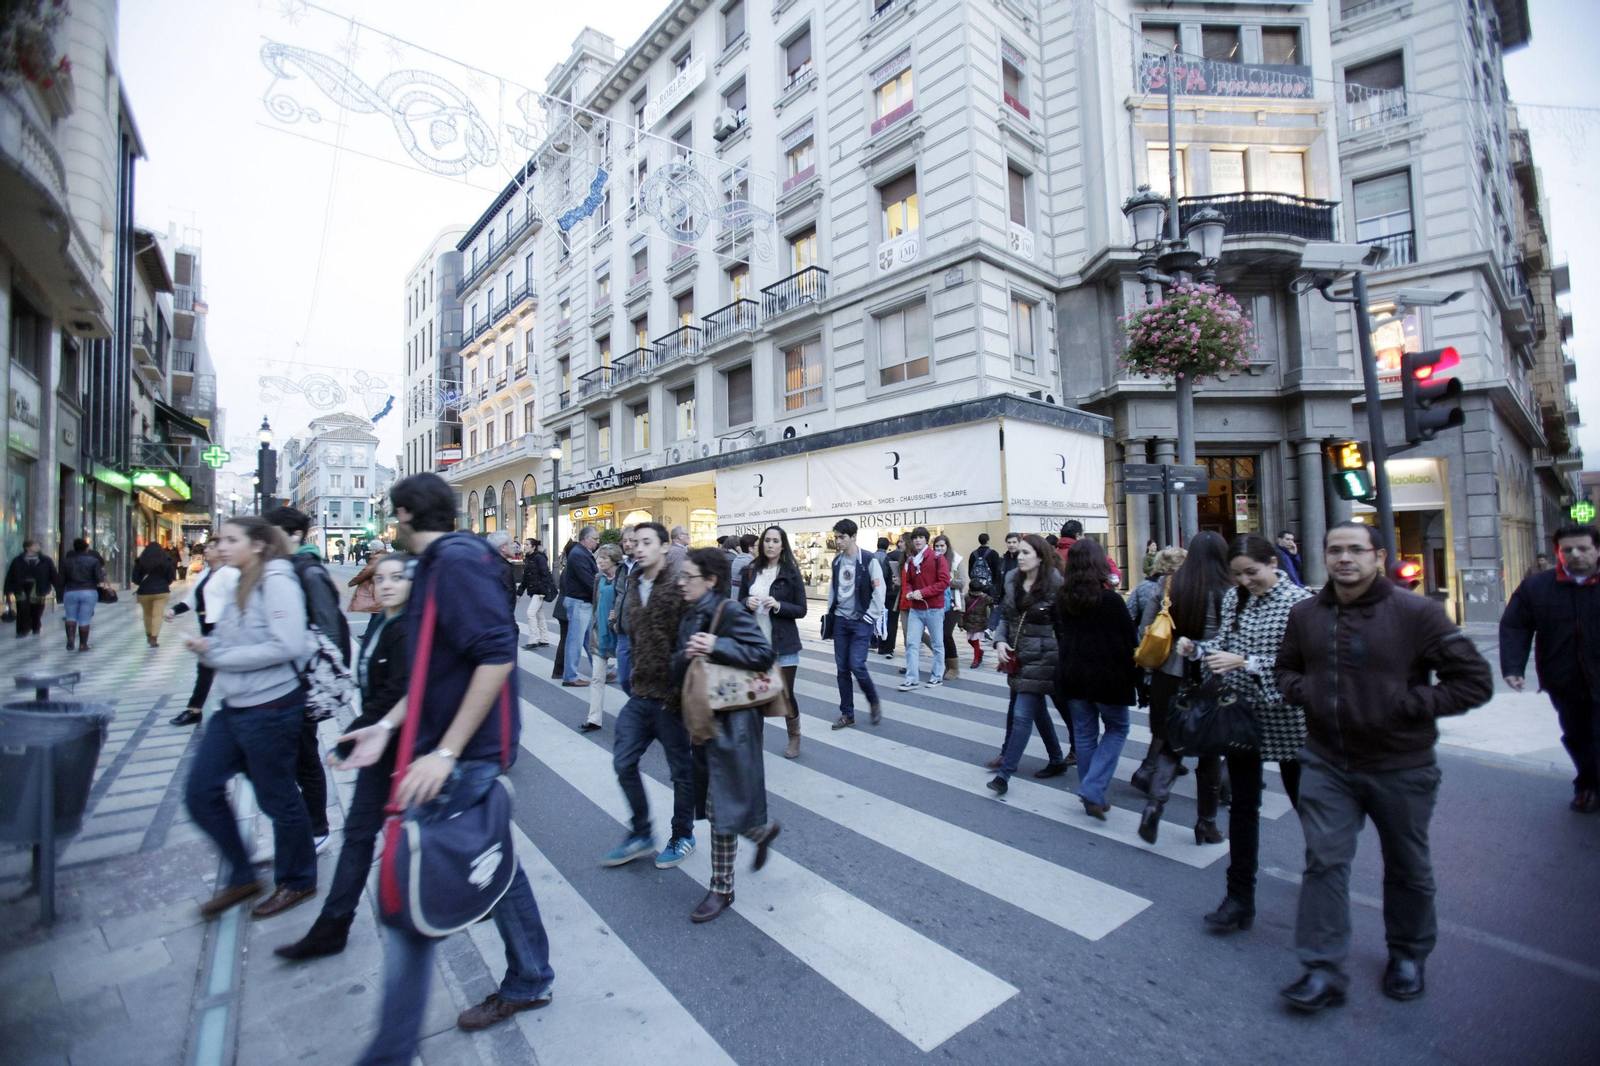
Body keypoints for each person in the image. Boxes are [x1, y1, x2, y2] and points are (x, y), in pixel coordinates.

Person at [336, 473, 554, 1057]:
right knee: (495, 864)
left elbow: (494, 655)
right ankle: (530, 976)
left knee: (409, 910)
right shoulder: (436, 566)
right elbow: (435, 666)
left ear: (404, 514)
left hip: (462, 757)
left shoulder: (454, 564)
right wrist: (384, 728)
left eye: (391, 518)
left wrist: (446, 752)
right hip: (448, 752)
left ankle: (391, 1049)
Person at [1275, 521, 1493, 1012]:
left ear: (1377, 556)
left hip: (1401, 764)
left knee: (1407, 865)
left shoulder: (1416, 613)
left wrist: (1406, 705)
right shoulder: (1306, 614)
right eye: (1335, 550)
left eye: (1356, 550)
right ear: (1324, 556)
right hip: (1327, 761)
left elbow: (1474, 681)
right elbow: (1285, 669)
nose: (1344, 558)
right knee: (1324, 862)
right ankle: (1321, 967)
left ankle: (1409, 954)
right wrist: (1304, 692)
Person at [274, 551, 411, 962]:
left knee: (415, 832)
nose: (385, 585)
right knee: (358, 833)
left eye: (396, 577)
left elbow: (397, 691)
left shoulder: (407, 629)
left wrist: (353, 736)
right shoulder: (382, 621)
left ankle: (487, 896)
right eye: (379, 578)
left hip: (400, 747)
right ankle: (333, 924)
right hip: (381, 744)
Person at [182, 517, 317, 921]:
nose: (220, 546)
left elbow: (287, 643)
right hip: (234, 708)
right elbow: (235, 635)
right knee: (200, 791)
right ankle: (242, 874)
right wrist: (211, 645)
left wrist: (218, 656)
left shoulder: (277, 580)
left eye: (230, 540)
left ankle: (297, 879)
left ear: (258, 545)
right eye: (219, 540)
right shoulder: (240, 578)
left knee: (277, 798)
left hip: (271, 708)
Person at [1175, 533, 1313, 927]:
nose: (1245, 581)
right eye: (1237, 575)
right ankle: (1239, 899)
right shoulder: (1236, 597)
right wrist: (1199, 650)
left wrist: (1248, 663)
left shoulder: (1299, 604)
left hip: (1289, 721)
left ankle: (1322, 872)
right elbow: (1225, 642)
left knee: (1308, 805)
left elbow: (1304, 668)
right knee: (1242, 808)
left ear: (1272, 562)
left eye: (1251, 572)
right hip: (1240, 717)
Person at [673, 547, 782, 923]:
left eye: (688, 576)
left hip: (733, 723)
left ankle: (722, 888)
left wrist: (716, 645)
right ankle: (760, 830)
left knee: (720, 808)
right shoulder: (690, 613)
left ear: (711, 581)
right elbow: (680, 666)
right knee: (713, 804)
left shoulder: (730, 612)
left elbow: (762, 654)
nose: (681, 582)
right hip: (704, 720)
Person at [602, 522, 699, 871]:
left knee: (681, 773)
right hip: (640, 693)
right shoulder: (631, 582)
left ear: (663, 547)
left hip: (671, 699)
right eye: (635, 542)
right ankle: (641, 832)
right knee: (622, 761)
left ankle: (683, 835)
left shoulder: (677, 588)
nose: (638, 547)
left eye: (647, 542)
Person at [266, 505, 351, 855]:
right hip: (284, 683)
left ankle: (317, 828)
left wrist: (320, 686)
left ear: (294, 535)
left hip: (302, 684)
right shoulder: (283, 569)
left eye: (271, 532)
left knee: (304, 758)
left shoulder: (307, 571)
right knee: (293, 757)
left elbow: (329, 630)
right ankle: (303, 827)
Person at [1135, 540, 1232, 846]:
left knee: (1170, 743)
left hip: (1169, 674)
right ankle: (1206, 823)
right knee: (1210, 753)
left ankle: (1155, 803)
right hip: (1210, 678)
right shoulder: (1226, 588)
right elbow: (1232, 637)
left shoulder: (1168, 583)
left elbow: (1145, 628)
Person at [1500, 523, 1600, 812]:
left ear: (1597, 550)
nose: (1575, 554)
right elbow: (1515, 625)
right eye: (1567, 549)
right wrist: (1513, 666)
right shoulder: (1537, 586)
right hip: (1565, 680)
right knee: (1578, 736)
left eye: (1583, 548)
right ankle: (1588, 786)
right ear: (1558, 552)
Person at [1055, 538, 1138, 820]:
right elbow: (1131, 641)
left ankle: (1092, 794)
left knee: (1085, 734)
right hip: (1109, 677)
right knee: (1117, 728)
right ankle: (1093, 788)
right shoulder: (1112, 601)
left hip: (1074, 675)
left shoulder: (1063, 598)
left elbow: (1060, 636)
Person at [987, 534, 1070, 794]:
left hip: (1045, 657)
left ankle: (1004, 775)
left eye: (1026, 553)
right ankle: (1057, 759)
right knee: (1037, 711)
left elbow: (1063, 627)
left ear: (1041, 557)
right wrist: (1000, 642)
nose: (1019, 557)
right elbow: (1006, 619)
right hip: (1017, 657)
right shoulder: (1012, 580)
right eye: (1019, 552)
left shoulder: (1055, 585)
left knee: (1022, 714)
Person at [737, 525, 808, 757]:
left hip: (784, 643)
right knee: (756, 696)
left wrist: (779, 605)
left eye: (775, 541)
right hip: (756, 645)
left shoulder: (790, 572)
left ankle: (794, 738)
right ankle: (757, 740)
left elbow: (801, 609)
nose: (770, 545)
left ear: (782, 545)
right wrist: (747, 601)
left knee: (786, 695)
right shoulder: (751, 570)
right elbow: (738, 604)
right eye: (767, 540)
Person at [165, 538, 238, 727]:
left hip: (221, 627)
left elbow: (239, 600)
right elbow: (192, 599)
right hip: (206, 626)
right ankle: (196, 709)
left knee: (212, 667)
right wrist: (174, 610)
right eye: (207, 547)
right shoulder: (205, 573)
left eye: (212, 547)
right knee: (207, 668)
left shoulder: (229, 573)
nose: (206, 550)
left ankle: (197, 709)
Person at [826, 519, 886, 727]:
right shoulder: (836, 562)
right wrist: (830, 616)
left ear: (853, 537)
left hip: (861, 621)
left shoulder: (868, 560)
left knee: (857, 665)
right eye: (836, 537)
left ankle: (874, 701)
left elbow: (879, 591)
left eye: (842, 537)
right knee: (842, 669)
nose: (838, 541)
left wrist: (870, 616)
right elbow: (833, 591)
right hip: (841, 621)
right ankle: (847, 714)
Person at [898, 526, 951, 691]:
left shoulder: (937, 558)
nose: (918, 540)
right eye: (915, 538)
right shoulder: (912, 560)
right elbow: (909, 582)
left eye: (921, 537)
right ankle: (912, 679)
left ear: (926, 540)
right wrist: (909, 593)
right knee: (912, 644)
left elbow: (944, 582)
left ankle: (937, 677)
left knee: (937, 644)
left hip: (934, 608)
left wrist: (923, 592)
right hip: (916, 608)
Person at [584, 544, 624, 732]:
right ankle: (594, 718)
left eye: (604, 558)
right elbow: (595, 603)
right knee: (596, 678)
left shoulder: (624, 578)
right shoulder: (598, 578)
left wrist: (617, 615)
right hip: (599, 631)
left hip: (619, 632)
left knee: (628, 679)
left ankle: (637, 720)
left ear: (615, 560)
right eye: (599, 558)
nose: (599, 561)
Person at [560, 525, 600, 687]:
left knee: (588, 639)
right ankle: (569, 676)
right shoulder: (579, 554)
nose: (597, 542)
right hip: (579, 602)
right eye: (595, 539)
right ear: (586, 539)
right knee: (575, 641)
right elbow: (588, 580)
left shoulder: (582, 553)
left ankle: (599, 669)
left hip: (582, 602)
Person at [57, 537, 107, 651]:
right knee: (84, 619)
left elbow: (60, 580)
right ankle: (83, 644)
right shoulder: (93, 561)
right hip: (89, 591)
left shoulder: (66, 561)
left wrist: (60, 593)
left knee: (70, 616)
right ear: (86, 548)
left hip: (70, 591)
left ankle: (70, 639)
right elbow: (99, 578)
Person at [610, 526, 638, 695]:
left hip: (639, 630)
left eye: (631, 540)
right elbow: (618, 595)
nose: (627, 544)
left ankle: (639, 713)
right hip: (622, 629)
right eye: (625, 540)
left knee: (638, 677)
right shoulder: (622, 566)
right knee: (623, 678)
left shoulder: (645, 566)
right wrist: (614, 620)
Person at [934, 533, 966, 682]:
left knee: (947, 633)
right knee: (939, 635)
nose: (940, 548)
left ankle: (954, 667)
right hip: (936, 601)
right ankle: (946, 665)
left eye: (942, 545)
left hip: (953, 602)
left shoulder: (956, 560)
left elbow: (962, 582)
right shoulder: (932, 560)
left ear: (947, 546)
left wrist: (945, 581)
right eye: (937, 546)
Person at [133, 541, 177, 647]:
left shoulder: (140, 561)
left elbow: (135, 579)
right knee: (158, 615)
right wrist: (164, 584)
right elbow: (171, 577)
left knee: (147, 614)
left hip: (144, 593)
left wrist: (142, 583)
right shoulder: (166, 561)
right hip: (162, 592)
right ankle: (154, 637)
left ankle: (148, 634)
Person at [1057, 520, 1122, 587]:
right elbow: (1115, 579)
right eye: (1083, 535)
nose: (1084, 538)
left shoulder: (1053, 554)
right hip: (1093, 594)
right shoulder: (1091, 553)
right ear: (1078, 536)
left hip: (1062, 595)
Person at [519, 538, 555, 649]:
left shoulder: (538, 558)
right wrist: (519, 592)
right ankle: (544, 639)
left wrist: (543, 591)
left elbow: (546, 574)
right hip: (534, 590)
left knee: (531, 613)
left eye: (527, 544)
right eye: (524, 544)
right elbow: (525, 578)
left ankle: (533, 640)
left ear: (533, 547)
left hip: (538, 590)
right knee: (539, 615)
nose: (524, 546)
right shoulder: (529, 558)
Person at [550, 539, 575, 680]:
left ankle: (559, 669)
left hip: (563, 608)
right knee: (567, 639)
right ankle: (559, 669)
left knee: (567, 639)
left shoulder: (568, 568)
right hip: (566, 608)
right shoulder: (571, 568)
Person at [346, 544, 385, 634]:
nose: (371, 551)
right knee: (378, 612)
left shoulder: (377, 558)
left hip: (377, 587)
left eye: (371, 549)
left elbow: (366, 572)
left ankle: (370, 633)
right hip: (381, 586)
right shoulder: (385, 555)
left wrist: (353, 582)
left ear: (375, 549)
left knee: (377, 612)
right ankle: (369, 632)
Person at [993, 532, 1021, 636]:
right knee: (1001, 628)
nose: (1011, 545)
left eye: (1014, 542)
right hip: (1004, 599)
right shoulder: (1003, 559)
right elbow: (998, 581)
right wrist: (996, 599)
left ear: (1019, 543)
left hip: (1018, 598)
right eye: (1009, 542)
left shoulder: (1023, 559)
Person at [879, 538, 902, 658]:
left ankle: (883, 646)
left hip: (889, 593)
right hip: (902, 593)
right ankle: (890, 648)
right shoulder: (909, 557)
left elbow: (883, 575)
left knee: (885, 619)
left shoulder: (889, 557)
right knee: (894, 622)